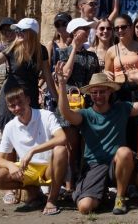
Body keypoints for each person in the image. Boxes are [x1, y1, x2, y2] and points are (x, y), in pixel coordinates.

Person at [57, 65, 138, 215]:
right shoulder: (85, 115)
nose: (98, 95)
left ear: (110, 92)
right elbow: (66, 113)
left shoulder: (121, 108)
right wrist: (62, 85)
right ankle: (100, 195)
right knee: (84, 208)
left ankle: (120, 198)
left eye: (102, 91)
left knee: (125, 152)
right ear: (90, 95)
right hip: (94, 165)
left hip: (117, 163)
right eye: (94, 92)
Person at [0, 86, 68, 216]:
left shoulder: (45, 115)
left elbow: (62, 138)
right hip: (27, 170)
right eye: (12, 106)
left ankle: (52, 200)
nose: (17, 108)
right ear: (8, 108)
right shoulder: (10, 127)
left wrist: (33, 151)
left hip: (49, 168)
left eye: (20, 102)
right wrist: (10, 165)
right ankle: (33, 190)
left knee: (60, 150)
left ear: (28, 100)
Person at [0, 18, 55, 131]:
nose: (18, 33)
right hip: (11, 96)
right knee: (9, 137)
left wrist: (58, 99)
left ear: (32, 33)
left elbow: (48, 77)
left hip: (29, 97)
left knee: (30, 135)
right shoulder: (12, 47)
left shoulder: (41, 50)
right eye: (17, 30)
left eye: (22, 30)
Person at [57, 17, 102, 195]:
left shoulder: (92, 55)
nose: (87, 31)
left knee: (85, 144)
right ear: (75, 32)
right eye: (84, 28)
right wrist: (74, 48)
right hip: (70, 101)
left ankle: (84, 181)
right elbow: (65, 75)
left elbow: (96, 79)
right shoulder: (63, 52)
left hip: (89, 102)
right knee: (71, 145)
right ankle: (69, 183)